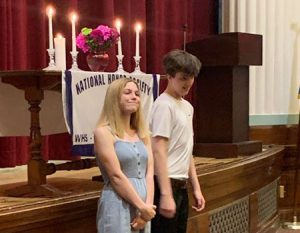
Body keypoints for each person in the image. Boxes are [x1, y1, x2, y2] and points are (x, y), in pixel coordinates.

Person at [150, 49, 205, 233]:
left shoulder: (187, 106)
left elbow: (186, 150)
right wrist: (165, 193)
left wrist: (196, 188)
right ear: (170, 76)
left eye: (191, 78)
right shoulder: (164, 105)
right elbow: (158, 149)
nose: (187, 83)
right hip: (165, 182)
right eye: (182, 78)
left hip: (181, 184)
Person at [94, 78, 156, 233]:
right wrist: (142, 207)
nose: (134, 97)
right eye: (127, 93)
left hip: (144, 206)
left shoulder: (143, 133)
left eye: (137, 93)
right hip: (118, 202)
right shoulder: (103, 132)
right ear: (114, 99)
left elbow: (149, 174)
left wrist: (147, 210)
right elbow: (115, 176)